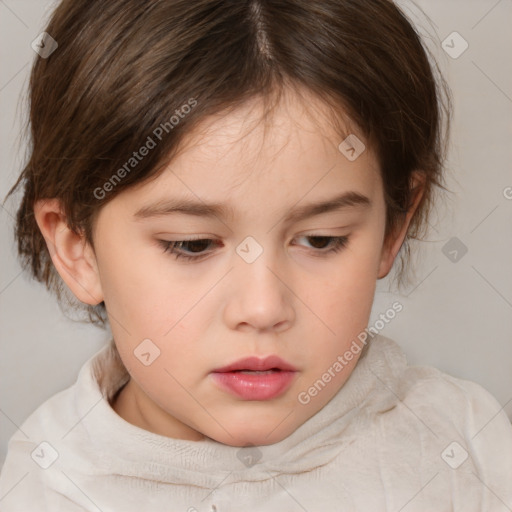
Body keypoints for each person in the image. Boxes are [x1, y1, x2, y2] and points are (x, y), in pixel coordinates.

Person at [1, 0, 511, 510]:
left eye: (321, 239)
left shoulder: (467, 450)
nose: (263, 308)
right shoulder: (47, 486)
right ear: (78, 250)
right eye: (192, 245)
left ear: (392, 226)